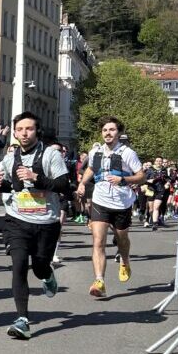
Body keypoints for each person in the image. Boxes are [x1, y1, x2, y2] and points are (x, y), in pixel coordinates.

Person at [0, 112, 69, 340]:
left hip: (46, 222)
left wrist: (36, 177)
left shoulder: (50, 155)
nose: (24, 133)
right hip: (17, 220)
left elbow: (64, 185)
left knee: (39, 267)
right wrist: (0, 184)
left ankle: (47, 276)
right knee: (18, 266)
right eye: (20, 130)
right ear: (14, 133)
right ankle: (22, 319)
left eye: (29, 129)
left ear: (37, 131)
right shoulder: (10, 157)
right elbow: (10, 187)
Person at [76, 116, 145, 299]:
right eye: (105, 130)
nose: (108, 133)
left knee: (122, 239)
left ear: (119, 133)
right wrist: (83, 183)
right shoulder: (95, 152)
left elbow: (141, 176)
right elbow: (91, 168)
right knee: (98, 241)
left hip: (122, 203)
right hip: (100, 200)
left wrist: (123, 179)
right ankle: (99, 281)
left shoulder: (127, 153)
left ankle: (125, 259)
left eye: (112, 130)